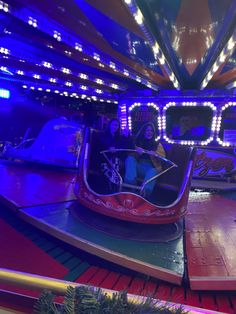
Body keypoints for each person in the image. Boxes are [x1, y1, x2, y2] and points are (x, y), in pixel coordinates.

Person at [124, 122, 165, 199]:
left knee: (153, 170)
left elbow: (163, 160)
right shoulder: (138, 142)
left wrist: (155, 154)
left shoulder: (157, 145)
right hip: (138, 168)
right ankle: (129, 187)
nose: (149, 132)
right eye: (147, 130)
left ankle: (144, 194)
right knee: (130, 159)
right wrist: (137, 152)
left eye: (151, 131)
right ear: (144, 131)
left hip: (150, 169)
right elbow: (130, 153)